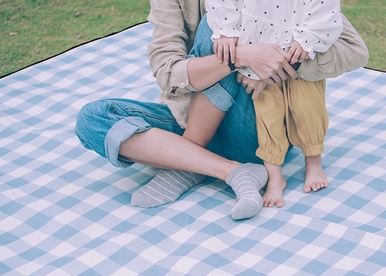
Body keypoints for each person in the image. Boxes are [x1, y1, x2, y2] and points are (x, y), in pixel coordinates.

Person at [75, 0, 368, 219]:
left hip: (257, 123)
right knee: (92, 118)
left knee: (214, 24)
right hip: (191, 116)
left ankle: (185, 160)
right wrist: (240, 57)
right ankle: (227, 170)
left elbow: (354, 50)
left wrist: (277, 62)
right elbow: (167, 73)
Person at [185, 0, 343, 209]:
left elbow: (325, 9)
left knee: (308, 109)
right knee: (268, 116)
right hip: (258, 50)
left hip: (297, 53)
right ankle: (275, 177)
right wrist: (226, 30)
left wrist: (308, 40)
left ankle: (314, 163)